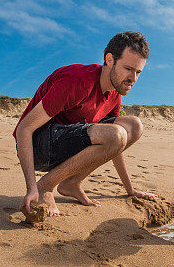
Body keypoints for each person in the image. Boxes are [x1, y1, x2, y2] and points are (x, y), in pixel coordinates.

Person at [13, 31, 157, 217]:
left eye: (138, 72)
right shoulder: (78, 81)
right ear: (110, 59)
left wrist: (130, 190)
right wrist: (32, 187)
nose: (133, 79)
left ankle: (72, 183)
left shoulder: (114, 92)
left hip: (66, 146)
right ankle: (45, 186)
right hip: (38, 147)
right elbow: (24, 128)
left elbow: (116, 145)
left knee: (134, 126)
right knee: (117, 133)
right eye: (128, 69)